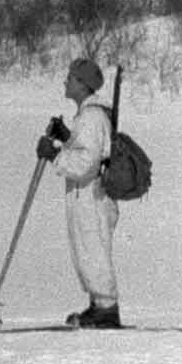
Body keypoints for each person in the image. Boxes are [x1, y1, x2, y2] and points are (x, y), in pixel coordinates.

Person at [38, 57, 122, 328]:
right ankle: (98, 305)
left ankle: (107, 309)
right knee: (86, 250)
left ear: (83, 84)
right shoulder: (87, 117)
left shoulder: (92, 117)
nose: (66, 81)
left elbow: (87, 164)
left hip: (93, 196)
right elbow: (85, 149)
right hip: (85, 195)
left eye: (71, 78)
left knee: (93, 249)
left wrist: (54, 155)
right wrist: (66, 136)